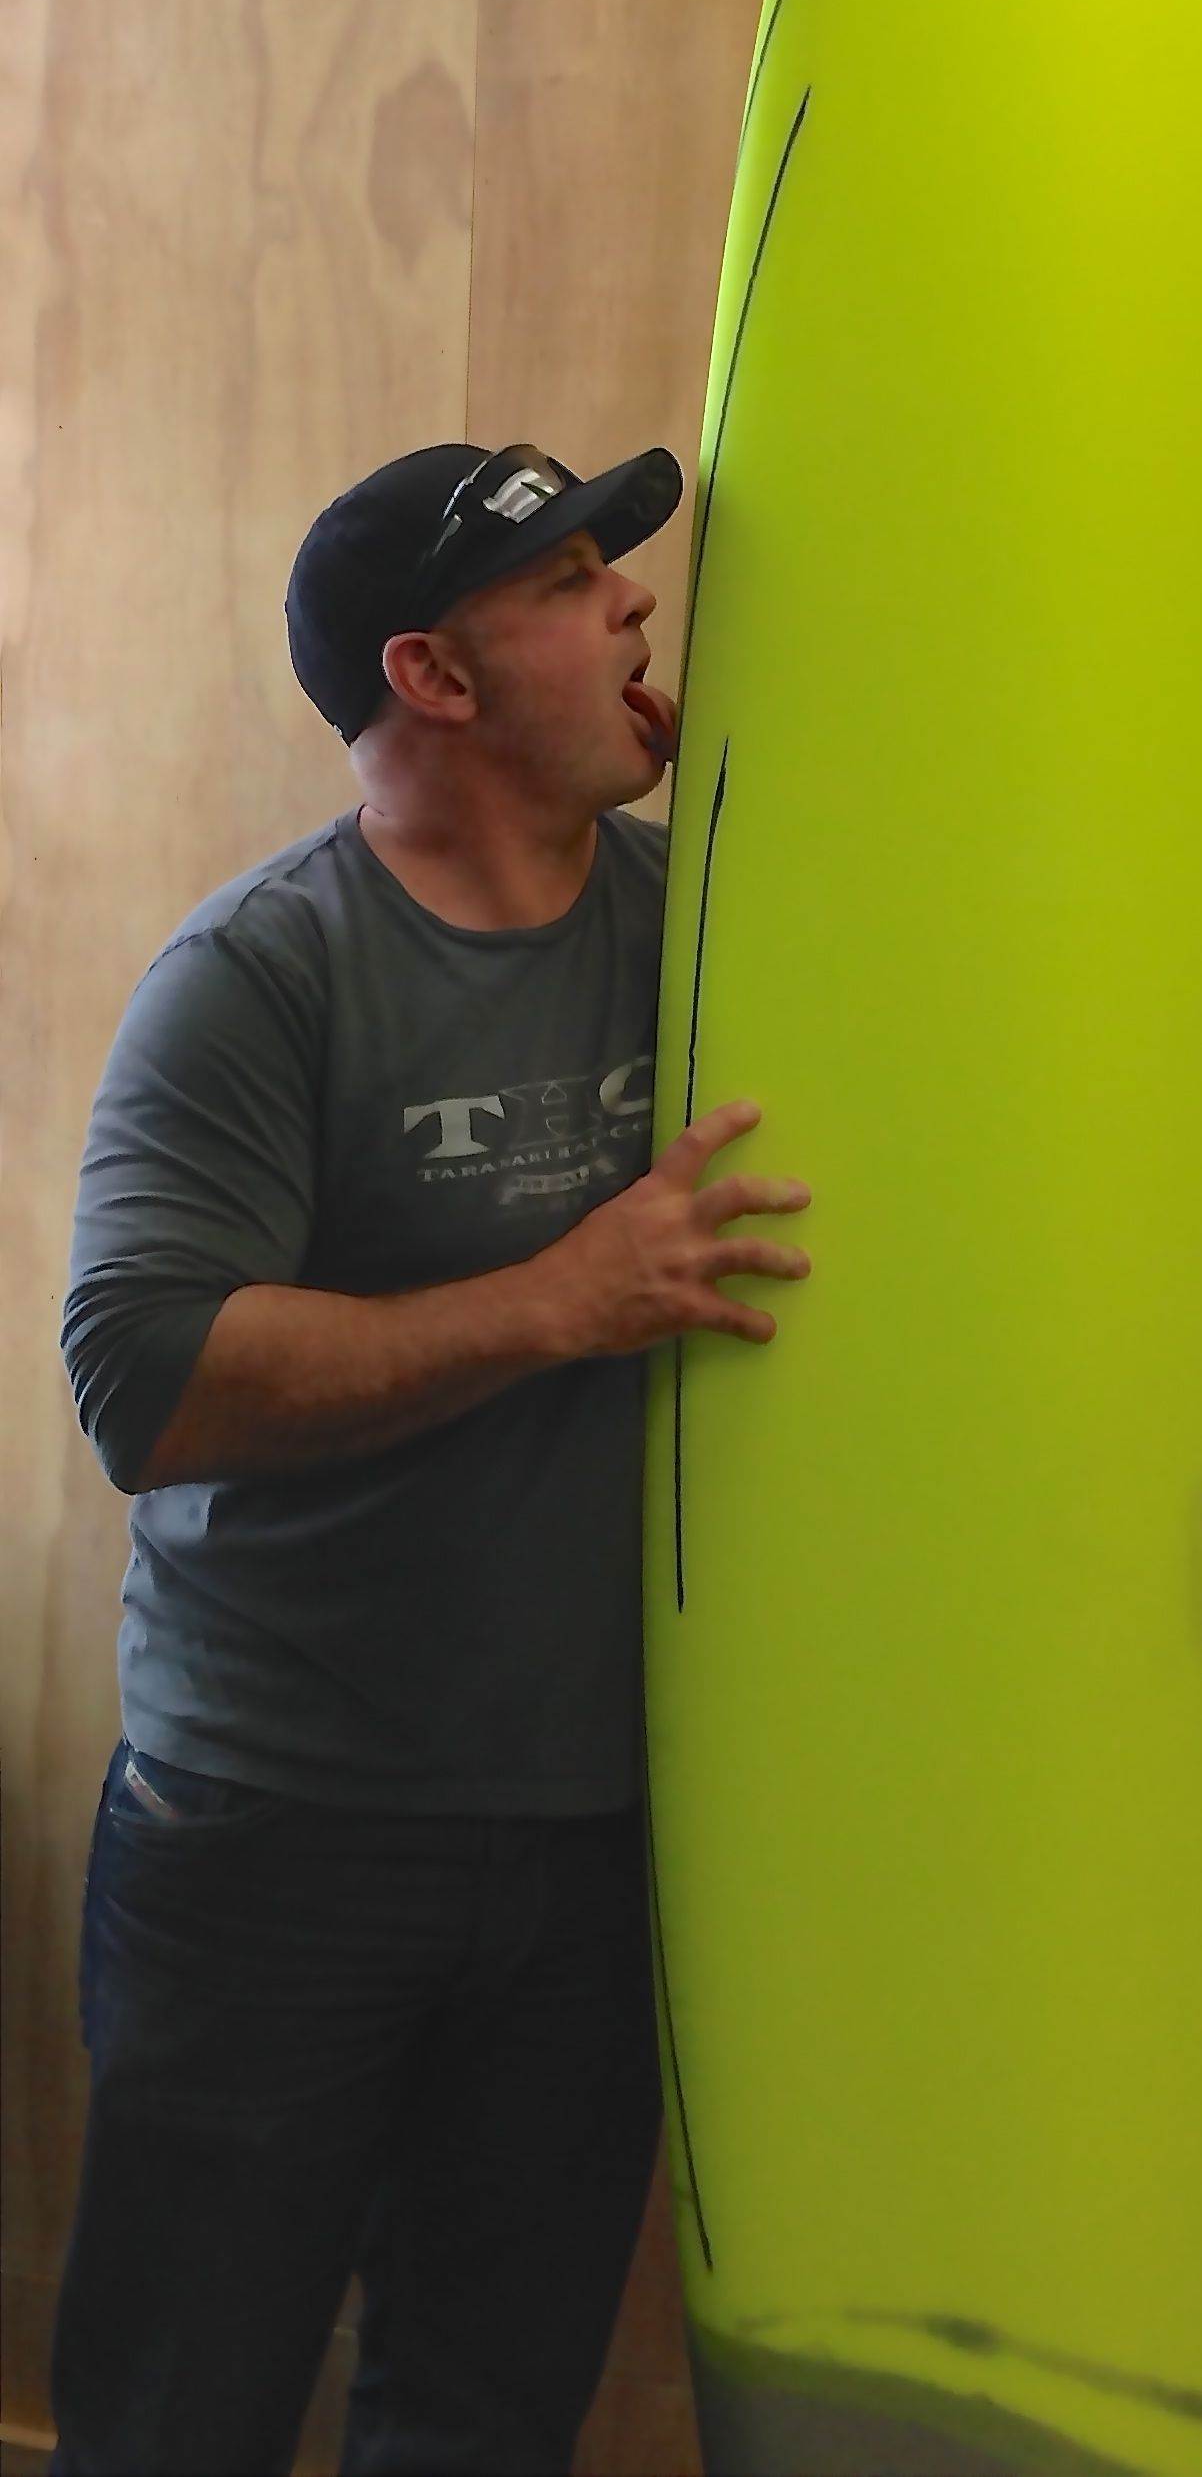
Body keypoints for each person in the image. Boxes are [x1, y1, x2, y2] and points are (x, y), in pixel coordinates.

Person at [47, 438, 814, 2476]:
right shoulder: (259, 974)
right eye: (568, 580)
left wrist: (805, 813)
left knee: (482, 2421)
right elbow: (145, 1377)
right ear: (436, 676)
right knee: (178, 2419)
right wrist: (555, 1299)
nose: (634, 600)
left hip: (596, 1839)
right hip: (275, 1840)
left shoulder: (707, 928)